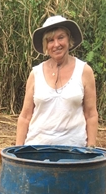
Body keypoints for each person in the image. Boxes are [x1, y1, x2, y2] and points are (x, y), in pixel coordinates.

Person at [16, 15, 98, 148]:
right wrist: (17, 150)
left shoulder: (84, 71)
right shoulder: (35, 74)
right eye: (50, 40)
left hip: (73, 151)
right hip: (37, 148)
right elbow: (25, 116)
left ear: (69, 39)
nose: (56, 44)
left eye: (61, 37)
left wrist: (91, 147)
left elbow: (91, 114)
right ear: (45, 45)